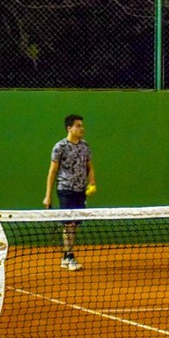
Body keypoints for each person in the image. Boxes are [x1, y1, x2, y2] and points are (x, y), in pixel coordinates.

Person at [43, 115, 96, 271]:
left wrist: (92, 181)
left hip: (81, 190)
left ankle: (66, 256)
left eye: (81, 125)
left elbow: (89, 166)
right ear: (69, 128)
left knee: (74, 225)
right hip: (65, 189)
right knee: (69, 223)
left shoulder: (85, 146)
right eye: (78, 126)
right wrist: (47, 196)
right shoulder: (60, 147)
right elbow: (52, 172)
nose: (82, 128)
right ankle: (69, 256)